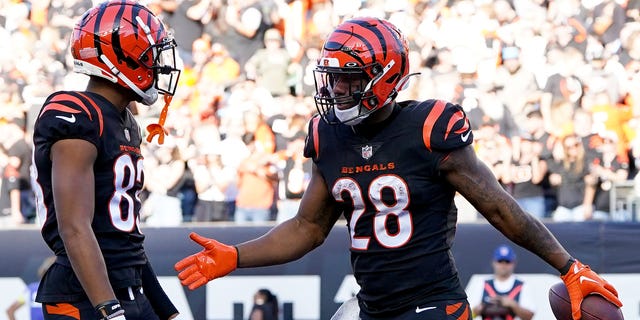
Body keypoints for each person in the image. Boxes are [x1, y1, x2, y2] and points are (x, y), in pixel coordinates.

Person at [174, 17, 622, 320]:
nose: (336, 89)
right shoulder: (327, 135)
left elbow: (500, 208)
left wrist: (567, 265)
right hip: (372, 306)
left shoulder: (428, 129)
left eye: (349, 77)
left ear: (385, 76)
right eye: (332, 77)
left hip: (431, 306)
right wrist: (237, 255)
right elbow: (308, 228)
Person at [31, 1, 181, 319]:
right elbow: (74, 227)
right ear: (122, 58)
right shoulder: (76, 112)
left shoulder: (126, 122)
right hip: (85, 293)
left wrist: (165, 309)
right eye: (148, 56)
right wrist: (108, 309)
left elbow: (125, 240)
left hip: (129, 287)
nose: (158, 66)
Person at [470, 245, 535, 320]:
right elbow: (469, 314)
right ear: (493, 262)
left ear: (513, 263)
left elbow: (529, 316)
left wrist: (513, 305)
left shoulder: (521, 285)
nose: (503, 265)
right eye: (500, 261)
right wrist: (482, 307)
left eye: (507, 262)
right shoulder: (483, 284)